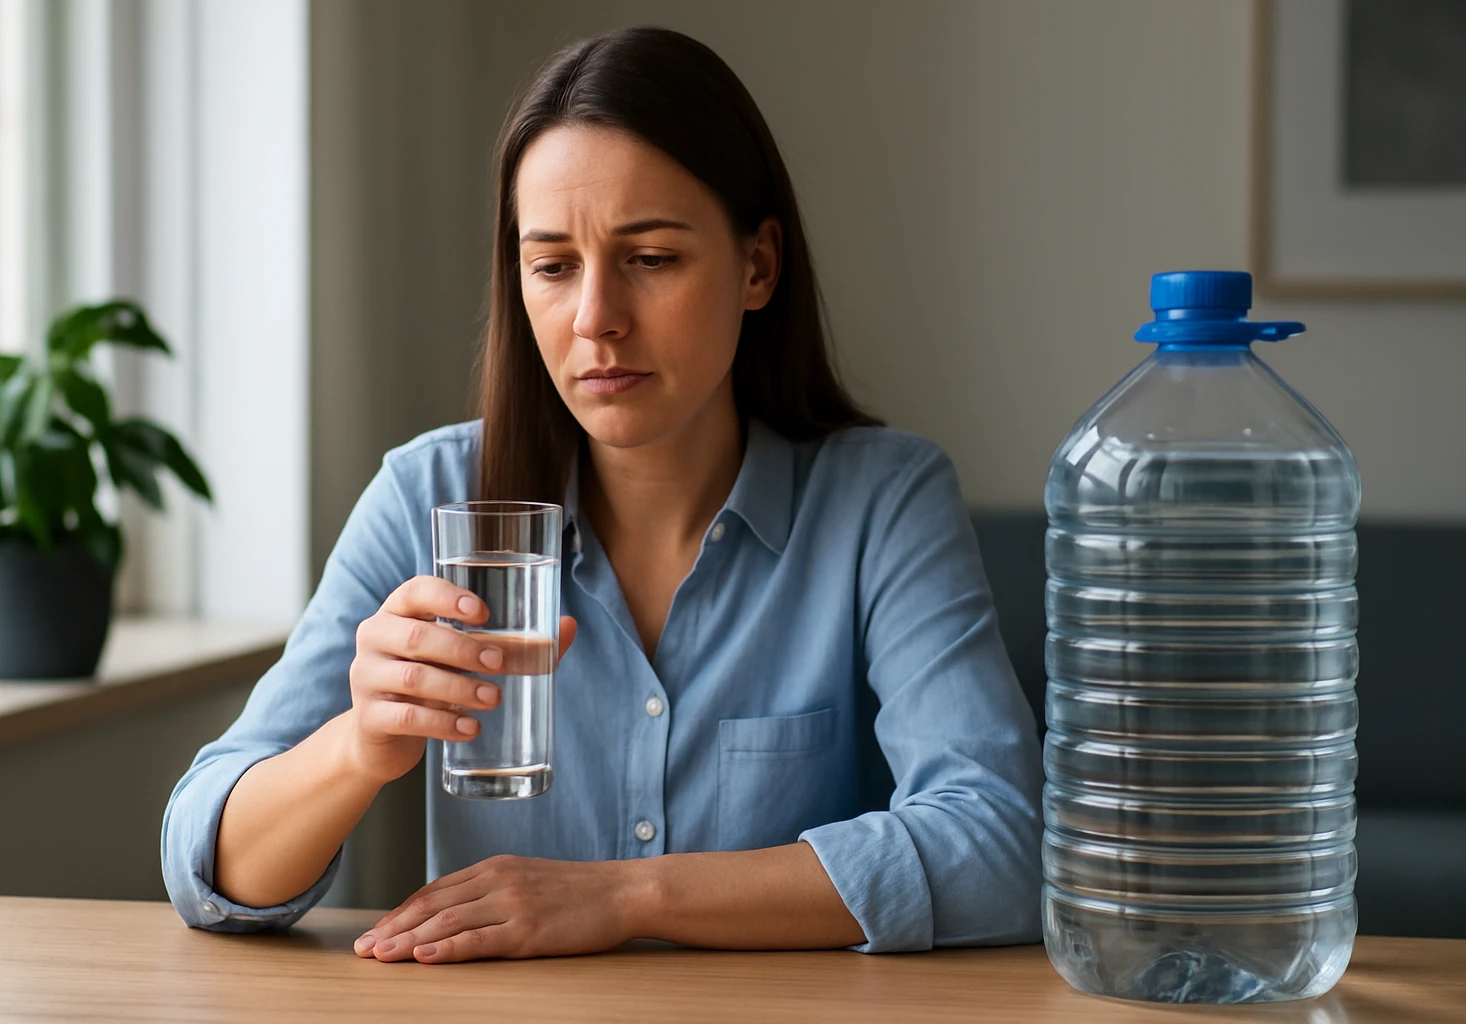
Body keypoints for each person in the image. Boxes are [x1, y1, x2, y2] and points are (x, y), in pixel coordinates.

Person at [162, 25, 1043, 963]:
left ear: (758, 265)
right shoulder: (425, 495)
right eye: (552, 266)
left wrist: (625, 897)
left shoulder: (883, 501)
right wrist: (358, 747)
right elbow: (202, 868)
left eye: (650, 258)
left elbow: (999, 843)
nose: (595, 319)